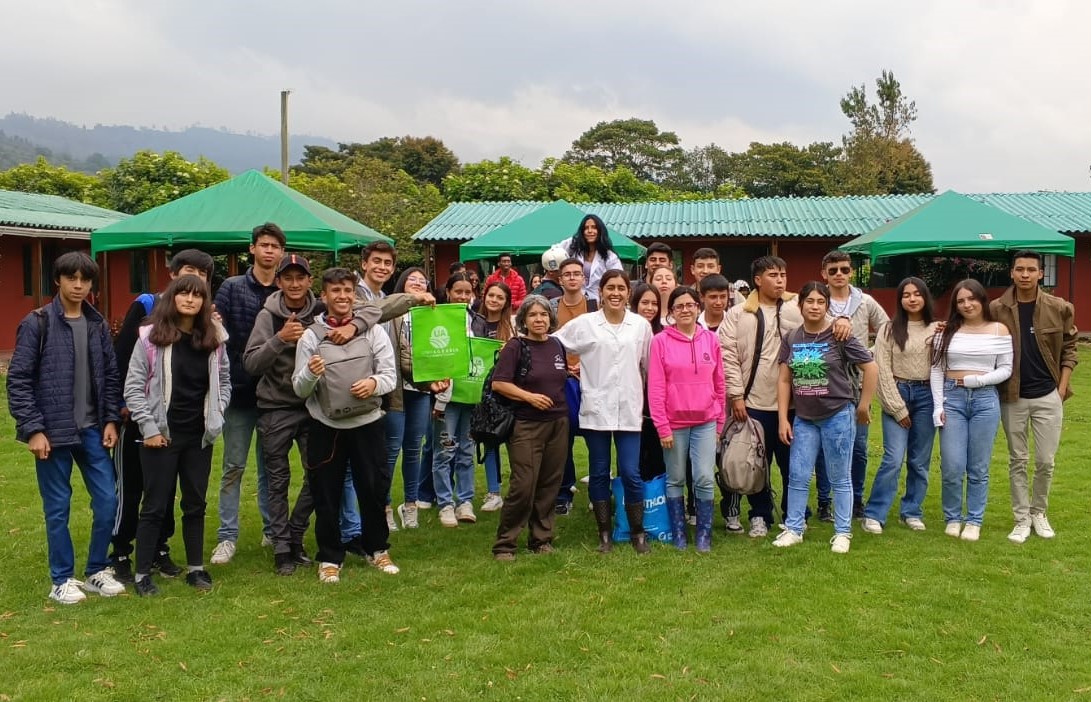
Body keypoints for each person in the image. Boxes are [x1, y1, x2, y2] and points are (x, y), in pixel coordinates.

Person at [8, 251, 125, 604]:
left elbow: (109, 376)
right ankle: (61, 579)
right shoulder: (37, 322)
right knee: (57, 506)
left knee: (108, 500)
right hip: (52, 432)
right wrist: (33, 429)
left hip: (92, 429)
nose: (78, 285)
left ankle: (96, 571)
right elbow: (18, 380)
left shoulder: (97, 324)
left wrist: (110, 420)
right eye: (71, 278)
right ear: (57, 280)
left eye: (85, 279)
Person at [110, 248, 214, 583]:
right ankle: (124, 555)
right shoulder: (147, 316)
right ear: (172, 276)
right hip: (146, 423)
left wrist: (216, 416)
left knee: (177, 497)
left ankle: (164, 553)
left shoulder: (211, 331)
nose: (192, 285)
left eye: (200, 277)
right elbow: (126, 366)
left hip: (192, 433)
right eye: (186, 274)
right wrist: (131, 414)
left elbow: (220, 379)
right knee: (141, 493)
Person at [124, 275, 231, 596]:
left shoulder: (214, 337)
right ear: (173, 297)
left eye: (196, 295)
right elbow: (133, 387)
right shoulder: (150, 338)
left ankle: (196, 569)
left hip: (198, 437)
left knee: (195, 504)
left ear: (203, 302)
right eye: (183, 293)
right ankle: (142, 574)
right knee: (154, 505)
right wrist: (150, 428)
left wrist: (217, 413)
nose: (189, 299)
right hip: (160, 436)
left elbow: (224, 380)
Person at [293, 267, 399, 583]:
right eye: (335, 291)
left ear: (355, 295)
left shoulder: (373, 332)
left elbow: (390, 376)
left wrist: (373, 383)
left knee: (374, 489)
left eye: (347, 291)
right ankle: (329, 557)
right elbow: (299, 388)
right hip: (325, 426)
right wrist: (311, 373)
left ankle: (378, 550)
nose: (342, 297)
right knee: (326, 493)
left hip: (368, 424)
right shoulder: (311, 336)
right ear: (323, 296)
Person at [553, 270, 653, 553]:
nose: (616, 293)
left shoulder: (640, 326)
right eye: (610, 288)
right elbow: (553, 344)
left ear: (628, 293)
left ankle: (637, 532)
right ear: (601, 291)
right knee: (598, 472)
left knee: (631, 472)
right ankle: (604, 534)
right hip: (596, 407)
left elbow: (646, 366)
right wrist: (565, 370)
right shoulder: (585, 324)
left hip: (629, 407)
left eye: (621, 288)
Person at [774, 281, 877, 554]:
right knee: (797, 475)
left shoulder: (839, 334)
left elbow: (871, 367)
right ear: (801, 305)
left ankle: (842, 532)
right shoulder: (793, 338)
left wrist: (863, 406)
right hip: (805, 419)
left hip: (838, 416)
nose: (815, 306)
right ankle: (794, 528)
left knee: (839, 476)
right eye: (810, 301)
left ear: (827, 306)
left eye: (821, 302)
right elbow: (784, 380)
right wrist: (784, 418)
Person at [991, 251, 1078, 543]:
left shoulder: (1059, 307)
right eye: (1020, 269)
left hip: (1048, 395)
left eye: (1031, 269)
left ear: (1041, 273)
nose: (1025, 274)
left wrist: (1062, 387)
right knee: (1018, 459)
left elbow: (1070, 348)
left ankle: (1039, 512)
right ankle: (1021, 518)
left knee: (1045, 461)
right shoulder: (997, 308)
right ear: (1011, 273)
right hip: (1012, 396)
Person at [210, 222, 284, 564]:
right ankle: (227, 537)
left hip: (275, 396)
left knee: (270, 467)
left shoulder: (286, 291)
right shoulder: (232, 287)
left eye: (275, 246)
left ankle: (272, 530)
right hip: (238, 392)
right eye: (264, 245)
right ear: (252, 249)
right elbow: (217, 333)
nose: (269, 251)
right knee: (234, 466)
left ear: (282, 253)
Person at [720, 256, 801, 537]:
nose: (780, 280)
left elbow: (822, 322)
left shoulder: (797, 307)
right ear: (757, 280)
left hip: (793, 404)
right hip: (753, 403)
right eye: (773, 275)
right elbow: (727, 355)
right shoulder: (739, 313)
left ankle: (794, 514)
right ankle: (759, 514)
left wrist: (840, 320)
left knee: (794, 463)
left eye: (783, 274)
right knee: (756, 464)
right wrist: (736, 395)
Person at [931, 279, 1012, 542]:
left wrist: (979, 380)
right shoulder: (946, 332)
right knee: (953, 465)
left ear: (982, 299)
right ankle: (953, 517)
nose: (967, 304)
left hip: (985, 401)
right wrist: (938, 405)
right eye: (961, 301)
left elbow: (1006, 369)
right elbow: (936, 369)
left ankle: (974, 520)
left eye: (971, 298)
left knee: (978, 466)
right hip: (952, 399)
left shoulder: (999, 330)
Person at [491, 296, 570, 559]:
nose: (539, 320)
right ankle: (505, 543)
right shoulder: (516, 346)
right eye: (534, 315)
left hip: (558, 422)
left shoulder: (557, 344)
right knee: (524, 485)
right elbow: (499, 383)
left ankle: (541, 539)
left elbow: (556, 375)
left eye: (544, 315)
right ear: (523, 319)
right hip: (526, 423)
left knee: (550, 484)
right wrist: (529, 396)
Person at [649, 287, 725, 552]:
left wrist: (720, 421)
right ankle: (679, 532)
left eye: (690, 305)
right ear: (671, 312)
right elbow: (656, 387)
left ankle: (704, 534)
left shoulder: (711, 340)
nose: (685, 310)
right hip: (674, 423)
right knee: (676, 477)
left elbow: (720, 383)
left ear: (698, 307)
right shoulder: (660, 341)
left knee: (704, 476)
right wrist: (662, 426)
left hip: (706, 420)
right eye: (679, 306)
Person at [862, 277, 938, 534]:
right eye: (907, 295)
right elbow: (881, 370)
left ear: (925, 297)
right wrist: (897, 407)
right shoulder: (888, 330)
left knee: (919, 461)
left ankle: (912, 511)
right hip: (898, 392)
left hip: (927, 396)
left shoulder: (937, 329)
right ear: (900, 300)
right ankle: (874, 513)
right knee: (893, 458)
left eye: (917, 294)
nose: (912, 299)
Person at [817, 251, 889, 520]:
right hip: (825, 382)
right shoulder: (818, 300)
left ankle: (856, 499)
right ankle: (825, 500)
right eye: (833, 270)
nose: (839, 274)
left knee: (857, 446)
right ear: (824, 273)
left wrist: (868, 354)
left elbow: (887, 329)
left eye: (844, 270)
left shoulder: (865, 301)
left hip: (858, 384)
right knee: (826, 446)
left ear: (851, 272)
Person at [431, 273, 488, 527]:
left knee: (466, 450)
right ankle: (445, 503)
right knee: (444, 450)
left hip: (470, 398)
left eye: (468, 292)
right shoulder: (436, 318)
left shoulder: (479, 322)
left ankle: (464, 500)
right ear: (448, 292)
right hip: (446, 397)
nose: (463, 296)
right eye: (458, 292)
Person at [550, 257, 599, 515]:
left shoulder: (594, 306)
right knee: (563, 437)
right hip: (561, 380)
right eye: (566, 274)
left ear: (584, 279)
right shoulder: (550, 306)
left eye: (576, 274)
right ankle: (564, 490)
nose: (571, 278)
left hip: (591, 379)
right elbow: (545, 340)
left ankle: (598, 491)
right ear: (560, 279)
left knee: (596, 436)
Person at [630, 282, 667, 484]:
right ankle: (631, 502)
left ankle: (656, 505)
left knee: (657, 457)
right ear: (635, 303)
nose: (650, 308)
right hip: (632, 404)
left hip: (657, 407)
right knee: (632, 458)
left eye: (654, 303)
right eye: (645, 302)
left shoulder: (663, 333)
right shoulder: (627, 332)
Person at [561, 214, 623, 302]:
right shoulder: (575, 249)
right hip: (575, 299)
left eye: (594, 227)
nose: (590, 231)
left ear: (600, 231)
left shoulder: (610, 256)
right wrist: (575, 239)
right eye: (586, 228)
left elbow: (619, 278)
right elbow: (555, 251)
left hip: (600, 301)